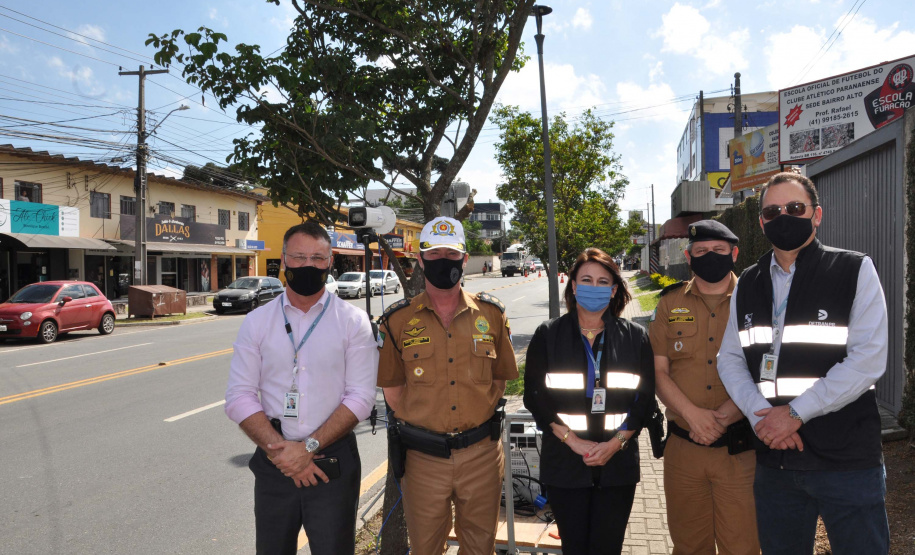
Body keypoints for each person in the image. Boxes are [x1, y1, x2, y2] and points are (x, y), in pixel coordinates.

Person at [718, 172, 889, 554]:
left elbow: (868, 359)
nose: (783, 217)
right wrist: (762, 418)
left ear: (817, 215)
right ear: (762, 222)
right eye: (772, 211)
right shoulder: (748, 283)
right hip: (776, 462)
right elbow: (729, 358)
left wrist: (794, 413)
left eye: (795, 208)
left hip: (846, 461)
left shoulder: (853, 270)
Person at [225, 221, 379, 555]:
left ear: (329, 262)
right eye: (299, 257)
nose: (308, 265)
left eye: (317, 258)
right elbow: (239, 396)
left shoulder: (353, 322)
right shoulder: (257, 321)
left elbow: (361, 397)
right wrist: (282, 453)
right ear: (283, 260)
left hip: (333, 466)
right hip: (275, 463)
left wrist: (308, 448)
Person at [377, 216, 518, 555]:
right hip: (423, 460)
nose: (444, 261)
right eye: (435, 254)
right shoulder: (397, 320)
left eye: (452, 254)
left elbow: (499, 381)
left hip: (481, 455)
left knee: (480, 547)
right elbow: (393, 392)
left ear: (465, 259)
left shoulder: (491, 314)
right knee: (425, 548)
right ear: (421, 259)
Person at [523, 247, 655, 554]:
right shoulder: (548, 335)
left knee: (608, 548)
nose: (593, 287)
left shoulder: (635, 337)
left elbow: (645, 400)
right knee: (575, 548)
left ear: (613, 290)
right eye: (586, 280)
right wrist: (574, 441)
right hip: (566, 464)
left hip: (617, 466)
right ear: (573, 286)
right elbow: (535, 396)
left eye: (602, 282)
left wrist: (614, 444)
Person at [648, 219, 759, 555]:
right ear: (688, 256)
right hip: (684, 449)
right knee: (689, 547)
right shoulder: (669, 303)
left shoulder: (756, 301)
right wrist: (694, 416)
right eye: (701, 251)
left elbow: (766, 368)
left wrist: (725, 416)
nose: (710, 256)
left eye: (718, 250)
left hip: (740, 450)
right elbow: (659, 372)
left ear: (734, 254)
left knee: (742, 547)